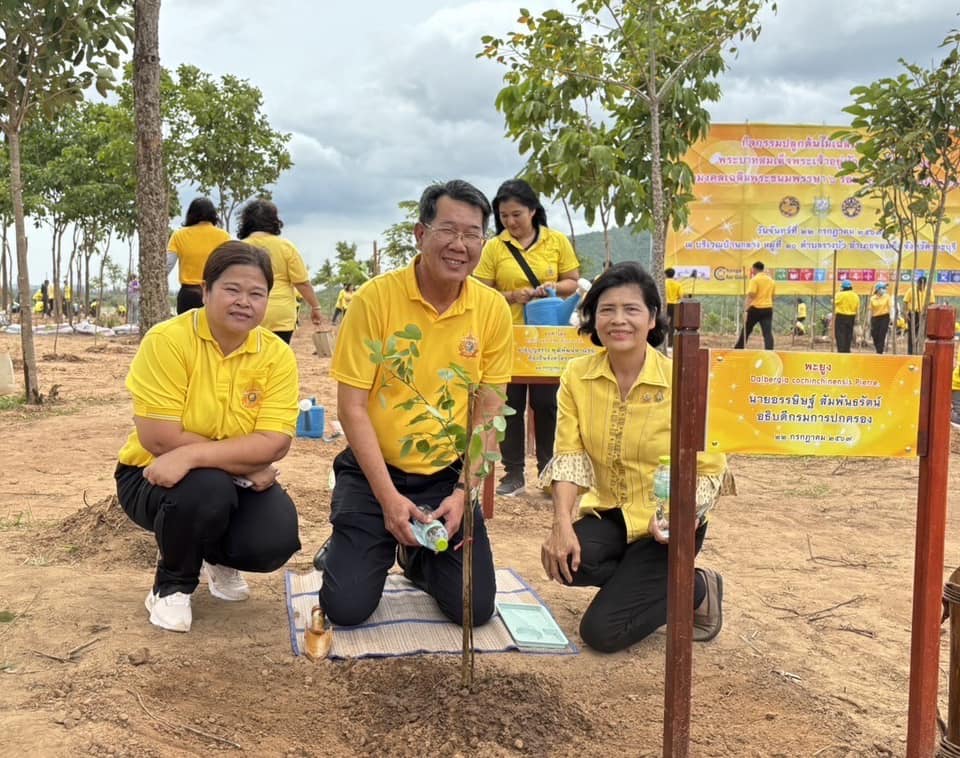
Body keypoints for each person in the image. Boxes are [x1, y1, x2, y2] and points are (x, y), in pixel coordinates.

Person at [315, 180, 513, 627]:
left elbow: (488, 413)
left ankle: (417, 557)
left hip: (446, 476)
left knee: (473, 610)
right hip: (375, 474)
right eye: (448, 230)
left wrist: (465, 493)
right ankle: (359, 539)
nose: (460, 245)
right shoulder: (374, 300)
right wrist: (387, 498)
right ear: (420, 235)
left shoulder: (493, 310)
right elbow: (353, 408)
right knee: (346, 609)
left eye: (473, 234)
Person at [539, 262, 728, 653]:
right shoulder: (577, 375)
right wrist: (561, 524)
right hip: (612, 512)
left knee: (601, 633)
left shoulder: (682, 378)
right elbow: (569, 456)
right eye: (607, 309)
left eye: (631, 309)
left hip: (668, 522)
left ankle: (695, 588)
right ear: (593, 318)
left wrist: (680, 514)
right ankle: (647, 582)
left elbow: (710, 469)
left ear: (653, 318)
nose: (618, 320)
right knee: (566, 563)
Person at [114, 241, 302, 633]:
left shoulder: (276, 355)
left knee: (273, 539)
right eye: (232, 289)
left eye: (256, 293)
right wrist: (245, 462)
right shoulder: (167, 341)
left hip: (234, 476)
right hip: (151, 477)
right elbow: (159, 438)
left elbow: (275, 442)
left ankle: (218, 559)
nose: (244, 302)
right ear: (206, 291)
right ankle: (172, 586)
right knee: (207, 489)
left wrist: (195, 455)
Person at [474, 178, 580, 496]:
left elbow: (572, 282)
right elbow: (480, 288)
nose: (510, 221)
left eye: (516, 214)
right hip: (507, 336)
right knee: (511, 404)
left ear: (533, 211)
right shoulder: (494, 247)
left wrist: (549, 289)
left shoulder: (556, 241)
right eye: (504, 216)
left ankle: (548, 472)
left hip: (547, 339)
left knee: (548, 404)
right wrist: (511, 295)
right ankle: (514, 474)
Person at [237, 199, 323, 344]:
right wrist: (315, 307)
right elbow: (302, 283)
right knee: (278, 359)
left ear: (246, 221)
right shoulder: (286, 247)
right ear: (274, 220)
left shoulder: (239, 248)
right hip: (280, 315)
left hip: (248, 310)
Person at [167, 197, 232, 315]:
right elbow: (229, 265)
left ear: (191, 215)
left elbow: (168, 264)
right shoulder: (224, 236)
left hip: (188, 295)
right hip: (213, 293)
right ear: (213, 215)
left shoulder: (179, 235)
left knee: (187, 331)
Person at [733, 260, 775, 350]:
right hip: (768, 308)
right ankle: (769, 350)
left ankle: (739, 348)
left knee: (746, 329)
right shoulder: (771, 281)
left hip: (755, 308)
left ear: (755, 269)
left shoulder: (755, 280)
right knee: (767, 332)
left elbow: (751, 296)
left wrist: (746, 310)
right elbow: (773, 296)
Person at [902, 275, 934, 355]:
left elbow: (931, 303)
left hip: (924, 314)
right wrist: (905, 313)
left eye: (923, 285)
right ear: (918, 283)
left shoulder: (929, 291)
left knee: (922, 334)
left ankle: (920, 351)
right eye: (920, 285)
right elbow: (905, 302)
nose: (921, 287)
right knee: (912, 334)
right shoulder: (911, 290)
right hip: (913, 314)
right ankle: (910, 352)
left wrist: (929, 315)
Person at [833, 280, 860, 354]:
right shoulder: (856, 296)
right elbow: (857, 308)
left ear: (843, 287)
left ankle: (841, 351)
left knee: (840, 334)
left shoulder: (840, 294)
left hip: (841, 317)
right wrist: (857, 319)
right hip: (851, 317)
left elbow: (834, 302)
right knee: (849, 334)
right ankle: (847, 350)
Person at [868, 282, 892, 354]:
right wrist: (869, 320)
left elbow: (890, 307)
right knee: (874, 334)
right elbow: (870, 310)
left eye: (884, 288)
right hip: (875, 318)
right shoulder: (872, 298)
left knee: (882, 334)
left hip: (884, 317)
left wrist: (891, 318)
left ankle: (879, 351)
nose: (884, 290)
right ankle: (878, 347)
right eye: (882, 288)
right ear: (878, 290)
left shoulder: (887, 297)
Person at [664, 268, 682, 349]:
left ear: (665, 274)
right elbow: (680, 296)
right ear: (673, 274)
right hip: (674, 305)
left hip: (665, 305)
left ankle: (663, 342)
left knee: (663, 322)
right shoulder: (677, 284)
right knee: (672, 325)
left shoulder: (663, 283)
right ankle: (670, 344)